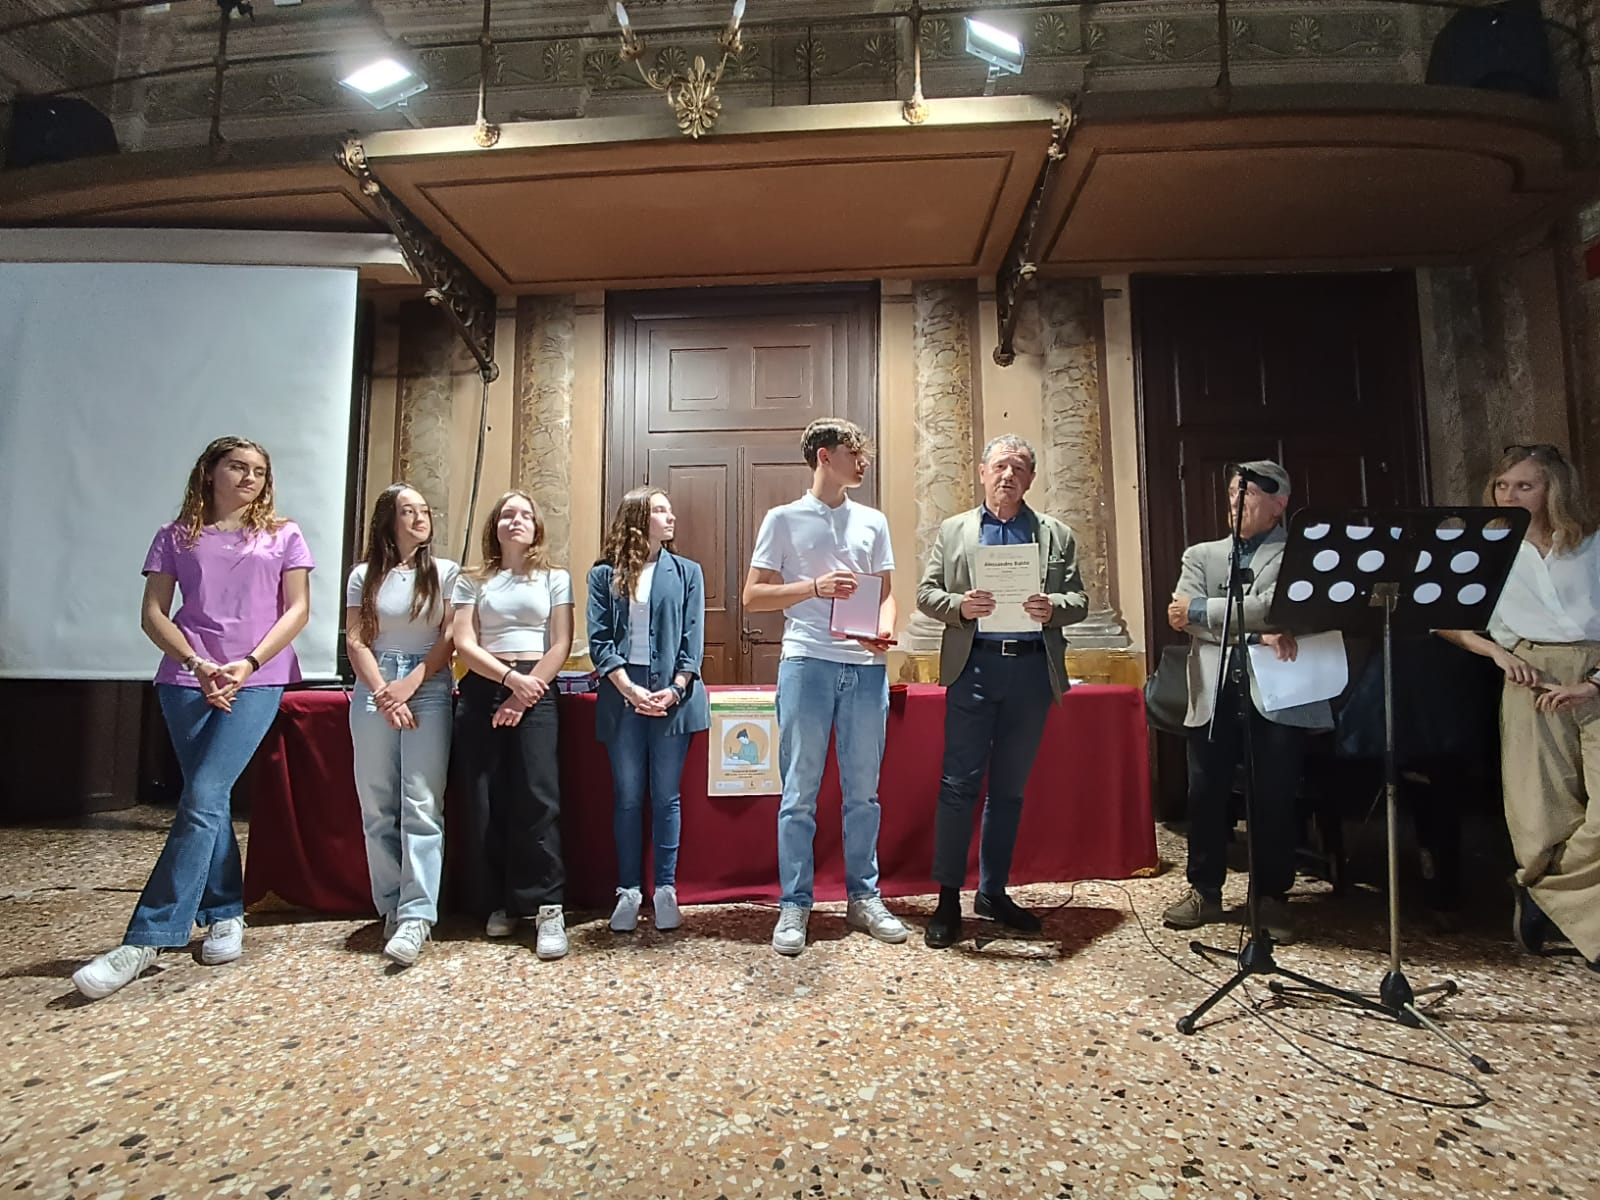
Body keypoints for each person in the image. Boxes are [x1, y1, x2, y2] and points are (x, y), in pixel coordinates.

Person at [74, 437, 312, 999]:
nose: (250, 478)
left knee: (204, 793)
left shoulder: (284, 534)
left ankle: (146, 937)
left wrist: (247, 663)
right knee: (210, 799)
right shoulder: (175, 535)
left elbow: (299, 609)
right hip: (187, 680)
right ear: (209, 472)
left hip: (257, 677)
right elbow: (153, 613)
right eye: (237, 467)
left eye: (259, 471)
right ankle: (225, 912)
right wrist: (196, 663)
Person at [915, 434, 1089, 948]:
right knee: (958, 785)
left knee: (1009, 790)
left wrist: (1054, 607)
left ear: (1030, 478)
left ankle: (992, 892)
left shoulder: (1056, 534)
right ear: (982, 473)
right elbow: (926, 593)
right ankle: (948, 899)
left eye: (1018, 468)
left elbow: (1079, 599)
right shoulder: (954, 530)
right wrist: (959, 606)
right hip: (974, 668)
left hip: (1031, 672)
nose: (1008, 475)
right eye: (1000, 466)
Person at [743, 416, 908, 955]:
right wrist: (812, 586)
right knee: (799, 794)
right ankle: (795, 903)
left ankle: (864, 897)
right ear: (824, 456)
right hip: (807, 661)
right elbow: (752, 597)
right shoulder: (783, 519)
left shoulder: (873, 521)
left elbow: (886, 593)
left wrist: (884, 631)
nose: (864, 462)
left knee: (864, 794)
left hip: (865, 668)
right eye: (855, 453)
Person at [1438, 444, 1600, 974]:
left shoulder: (1593, 545)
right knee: (1541, 810)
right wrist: (1498, 653)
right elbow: (1443, 616)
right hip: (1529, 672)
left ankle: (1542, 892)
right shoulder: (1486, 550)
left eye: (1524, 486)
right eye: (1502, 487)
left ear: (1556, 489)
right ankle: (1588, 926)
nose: (1508, 496)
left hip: (1596, 671)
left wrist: (1592, 684)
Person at [1162, 460, 1327, 945]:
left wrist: (1206, 610)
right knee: (1205, 793)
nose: (1236, 501)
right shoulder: (1201, 555)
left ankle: (1271, 897)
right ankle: (1204, 891)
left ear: (1279, 504)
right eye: (1233, 492)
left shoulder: (1301, 553)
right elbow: (1181, 618)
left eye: (1249, 494)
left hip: (1278, 694)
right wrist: (1257, 631)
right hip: (1213, 692)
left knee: (1273, 796)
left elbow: (1281, 607)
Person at [451, 491, 574, 960]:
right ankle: (502, 901)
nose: (516, 521)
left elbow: (561, 642)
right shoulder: (472, 580)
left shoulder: (555, 578)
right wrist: (508, 681)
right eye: (507, 514)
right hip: (485, 687)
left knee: (538, 798)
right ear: (495, 526)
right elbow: (464, 642)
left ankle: (547, 907)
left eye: (525, 515)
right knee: (488, 798)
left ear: (537, 526)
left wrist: (525, 692)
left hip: (536, 688)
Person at [586, 486, 710, 934]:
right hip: (624, 694)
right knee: (628, 795)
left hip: (673, 697)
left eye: (669, 510)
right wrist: (629, 690)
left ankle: (665, 889)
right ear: (638, 518)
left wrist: (676, 688)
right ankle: (628, 890)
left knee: (666, 796)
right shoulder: (604, 574)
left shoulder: (688, 572)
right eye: (660, 510)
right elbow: (599, 640)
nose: (670, 517)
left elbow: (692, 639)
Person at [345, 483, 458, 967]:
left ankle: (417, 914)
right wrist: (382, 692)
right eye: (408, 511)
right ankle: (389, 904)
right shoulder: (363, 575)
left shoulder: (446, 573)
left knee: (421, 801)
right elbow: (356, 640)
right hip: (375, 686)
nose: (419, 518)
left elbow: (450, 636)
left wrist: (411, 684)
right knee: (377, 802)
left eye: (424, 511)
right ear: (388, 521)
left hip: (426, 683)